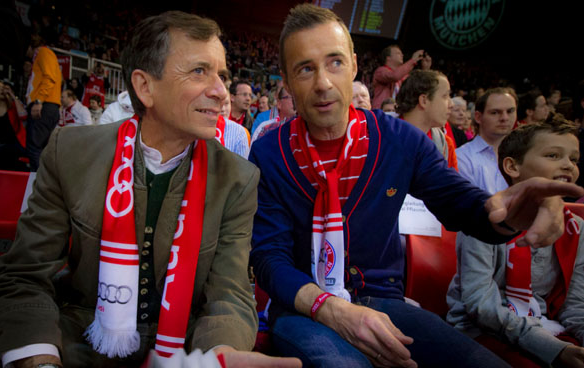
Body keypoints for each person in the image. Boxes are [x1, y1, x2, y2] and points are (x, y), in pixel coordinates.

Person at [249, 4, 583, 368]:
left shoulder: (398, 141)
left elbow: (462, 204)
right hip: (303, 309)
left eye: (335, 62)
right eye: (305, 69)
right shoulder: (269, 154)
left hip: (382, 302)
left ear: (355, 65)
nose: (324, 82)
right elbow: (269, 259)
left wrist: (506, 212)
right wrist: (332, 310)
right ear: (285, 79)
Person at [0, 11, 300, 368]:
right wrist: (40, 360)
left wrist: (219, 355)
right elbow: (25, 276)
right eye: (199, 71)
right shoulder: (70, 152)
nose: (221, 92)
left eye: (222, 75)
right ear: (144, 87)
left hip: (188, 351)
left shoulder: (238, 177)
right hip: (78, 340)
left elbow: (229, 296)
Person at [447, 117, 584, 367]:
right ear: (512, 167)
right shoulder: (488, 218)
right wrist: (553, 348)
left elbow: (575, 307)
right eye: (553, 155)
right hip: (480, 332)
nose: (568, 165)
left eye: (573, 159)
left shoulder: (577, 227)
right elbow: (481, 307)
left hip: (545, 326)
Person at [456, 88, 517, 194]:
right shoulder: (462, 157)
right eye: (495, 112)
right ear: (478, 117)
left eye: (510, 111)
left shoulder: (523, 155)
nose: (505, 118)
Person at [396, 69, 457, 169]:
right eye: (445, 96)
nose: (451, 104)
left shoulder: (445, 145)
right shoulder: (383, 137)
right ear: (424, 100)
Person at [25, 33, 63, 171]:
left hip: (44, 105)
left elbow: (49, 78)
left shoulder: (43, 52)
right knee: (43, 150)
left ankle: (39, 186)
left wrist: (39, 100)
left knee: (34, 147)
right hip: (47, 105)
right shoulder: (45, 55)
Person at [371, 43, 424, 109]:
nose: (402, 55)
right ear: (388, 58)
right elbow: (395, 76)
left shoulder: (404, 76)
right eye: (398, 53)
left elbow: (418, 87)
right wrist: (413, 60)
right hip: (381, 111)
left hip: (397, 112)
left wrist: (425, 68)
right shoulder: (380, 71)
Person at [0, 79, 28, 171]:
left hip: (14, 144)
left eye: (3, 88)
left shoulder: (12, 106)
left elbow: (23, 115)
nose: (2, 90)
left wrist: (12, 95)